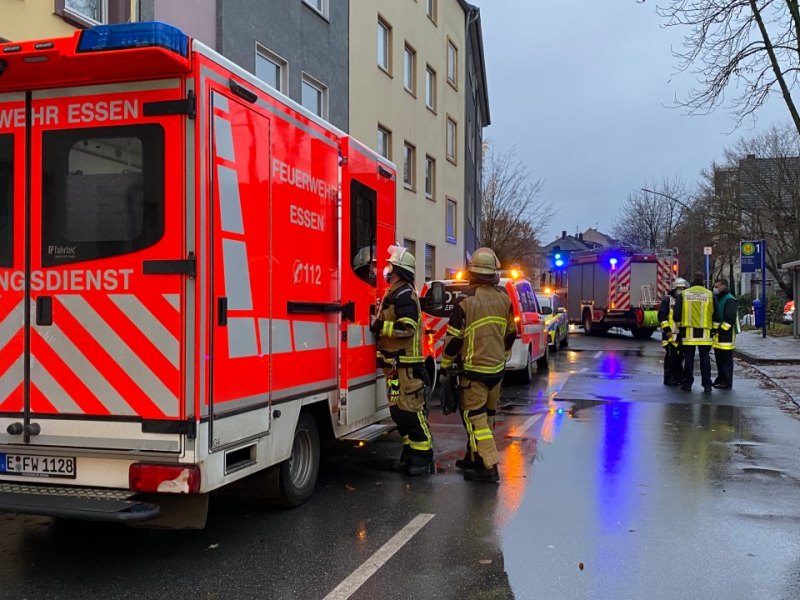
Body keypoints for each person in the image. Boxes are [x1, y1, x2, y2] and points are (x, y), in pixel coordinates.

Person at [440, 247, 516, 483]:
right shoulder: (504, 299)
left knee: (476, 419)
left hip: (473, 372)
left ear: (472, 272)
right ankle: (473, 457)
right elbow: (511, 334)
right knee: (487, 416)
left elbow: (454, 340)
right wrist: (502, 355)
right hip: (497, 371)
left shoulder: (465, 301)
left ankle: (488, 466)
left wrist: (445, 366)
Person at [371, 245, 433, 476]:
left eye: (390, 266)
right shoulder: (395, 292)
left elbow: (408, 327)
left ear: (397, 270)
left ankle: (423, 457)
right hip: (395, 368)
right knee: (399, 414)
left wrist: (379, 326)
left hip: (408, 368)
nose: (386, 269)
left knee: (412, 414)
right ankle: (409, 455)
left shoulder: (404, 294)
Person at [672, 272, 715, 393]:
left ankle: (687, 384)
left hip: (688, 331)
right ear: (703, 282)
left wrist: (680, 327)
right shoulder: (709, 294)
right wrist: (714, 329)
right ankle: (707, 385)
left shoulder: (684, 294)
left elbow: (676, 314)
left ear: (692, 281)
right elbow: (716, 314)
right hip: (705, 332)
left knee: (689, 358)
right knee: (705, 358)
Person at [658, 277, 688, 386]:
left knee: (679, 358)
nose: (681, 291)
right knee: (671, 359)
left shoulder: (685, 300)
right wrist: (667, 330)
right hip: (670, 335)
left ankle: (678, 377)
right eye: (679, 288)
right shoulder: (668, 300)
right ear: (674, 288)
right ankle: (669, 379)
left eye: (683, 288)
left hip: (681, 334)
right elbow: (662, 316)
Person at [712, 278, 738, 389]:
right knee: (719, 359)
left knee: (725, 360)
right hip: (719, 335)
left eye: (717, 287)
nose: (715, 289)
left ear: (724, 286)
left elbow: (730, 319)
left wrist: (721, 330)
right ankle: (721, 379)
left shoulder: (730, 299)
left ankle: (727, 382)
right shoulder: (720, 298)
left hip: (726, 336)